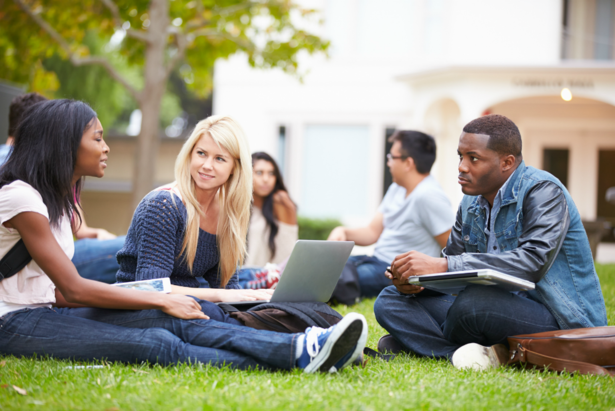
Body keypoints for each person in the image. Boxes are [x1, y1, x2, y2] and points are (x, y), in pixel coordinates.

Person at [0, 99, 367, 372]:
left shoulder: (61, 203)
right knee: (161, 341)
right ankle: (298, 353)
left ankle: (311, 346)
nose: (107, 146)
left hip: (51, 310)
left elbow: (61, 294)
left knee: (200, 317)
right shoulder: (22, 198)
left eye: (220, 158)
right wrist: (161, 300)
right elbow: (75, 289)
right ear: (65, 144)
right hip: (12, 320)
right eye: (98, 138)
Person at [374, 114, 608, 370]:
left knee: (474, 304)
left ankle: (423, 343)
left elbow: (531, 263)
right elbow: (452, 274)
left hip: (557, 318)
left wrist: (441, 266)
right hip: (492, 307)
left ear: (507, 162)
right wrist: (415, 282)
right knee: (390, 300)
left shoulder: (543, 191)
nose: (462, 166)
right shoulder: (470, 203)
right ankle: (470, 354)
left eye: (473, 158)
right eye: (460, 156)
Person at [2, 92, 123, 283]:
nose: (106, 148)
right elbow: (72, 287)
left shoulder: (60, 185)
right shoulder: (22, 188)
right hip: (21, 293)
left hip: (44, 278)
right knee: (133, 247)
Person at [328, 130, 455, 299]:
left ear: (408, 163)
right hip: (373, 260)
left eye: (391, 157)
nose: (388, 163)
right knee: (325, 267)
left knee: (331, 279)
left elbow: (452, 249)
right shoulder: (397, 188)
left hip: (393, 270)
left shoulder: (428, 196)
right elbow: (373, 232)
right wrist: (343, 231)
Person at [245, 152, 298, 267]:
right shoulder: (239, 206)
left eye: (271, 173)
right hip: (241, 278)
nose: (266, 179)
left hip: (270, 277)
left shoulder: (280, 200)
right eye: (259, 173)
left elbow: (288, 250)